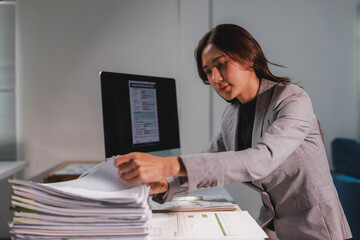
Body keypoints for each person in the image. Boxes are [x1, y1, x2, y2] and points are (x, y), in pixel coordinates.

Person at [114, 24, 352, 239]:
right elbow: (209, 160)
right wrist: (165, 184)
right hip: (273, 228)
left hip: (317, 230)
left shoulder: (292, 99)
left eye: (221, 64)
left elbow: (261, 160)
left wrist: (168, 164)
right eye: (208, 71)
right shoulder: (232, 114)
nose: (215, 78)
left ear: (248, 58)